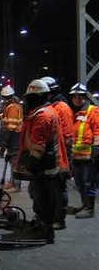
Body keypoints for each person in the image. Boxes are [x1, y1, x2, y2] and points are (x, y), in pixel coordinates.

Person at [13, 79, 70, 243]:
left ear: (40, 97)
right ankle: (42, 223)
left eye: (31, 97)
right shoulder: (43, 112)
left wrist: (30, 166)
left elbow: (39, 146)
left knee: (42, 197)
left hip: (45, 165)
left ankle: (45, 229)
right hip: (47, 163)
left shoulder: (43, 116)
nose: (28, 101)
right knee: (39, 195)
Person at [42, 76, 74, 229]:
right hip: (51, 155)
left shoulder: (62, 107)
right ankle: (49, 216)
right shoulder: (53, 106)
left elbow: (67, 135)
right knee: (49, 188)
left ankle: (59, 220)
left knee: (59, 188)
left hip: (59, 155)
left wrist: (65, 156)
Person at [66, 82, 99, 218]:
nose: (77, 99)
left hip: (89, 156)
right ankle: (84, 205)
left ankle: (89, 209)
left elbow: (97, 131)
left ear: (85, 97)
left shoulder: (93, 111)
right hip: (77, 156)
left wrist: (96, 150)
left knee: (88, 182)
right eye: (75, 96)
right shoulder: (76, 113)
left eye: (80, 96)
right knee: (79, 182)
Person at [0, 85, 24, 193]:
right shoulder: (14, 105)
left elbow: (12, 125)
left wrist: (6, 139)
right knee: (12, 160)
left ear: (5, 97)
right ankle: (12, 182)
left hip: (14, 136)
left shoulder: (12, 107)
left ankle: (16, 185)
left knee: (14, 161)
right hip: (15, 135)